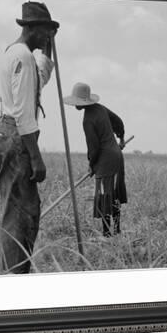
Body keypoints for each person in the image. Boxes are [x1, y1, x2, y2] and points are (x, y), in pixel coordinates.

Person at [0, 1, 59, 273]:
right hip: (17, 136)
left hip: (5, 132)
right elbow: (22, 112)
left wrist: (50, 45)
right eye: (44, 31)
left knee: (20, 210)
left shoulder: (18, 53)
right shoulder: (23, 57)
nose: (46, 37)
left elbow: (40, 76)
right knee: (21, 214)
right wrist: (36, 157)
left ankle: (14, 271)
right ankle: (15, 277)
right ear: (31, 28)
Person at [63, 82, 127, 237]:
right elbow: (118, 121)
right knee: (114, 194)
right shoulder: (101, 108)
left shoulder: (88, 120)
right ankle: (117, 230)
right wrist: (121, 138)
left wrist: (91, 164)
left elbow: (94, 148)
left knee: (105, 195)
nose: (76, 105)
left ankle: (107, 235)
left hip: (106, 161)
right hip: (117, 156)